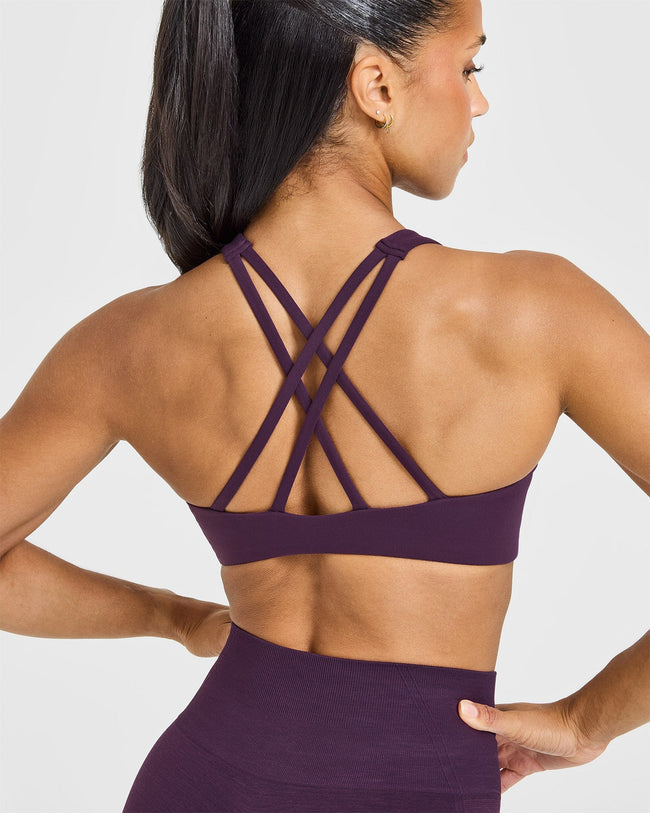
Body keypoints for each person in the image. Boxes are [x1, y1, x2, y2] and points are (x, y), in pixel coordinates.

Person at [0, 0, 648, 811]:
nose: (478, 101)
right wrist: (587, 720)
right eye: (469, 66)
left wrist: (176, 618)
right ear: (376, 85)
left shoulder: (128, 342)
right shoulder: (536, 310)